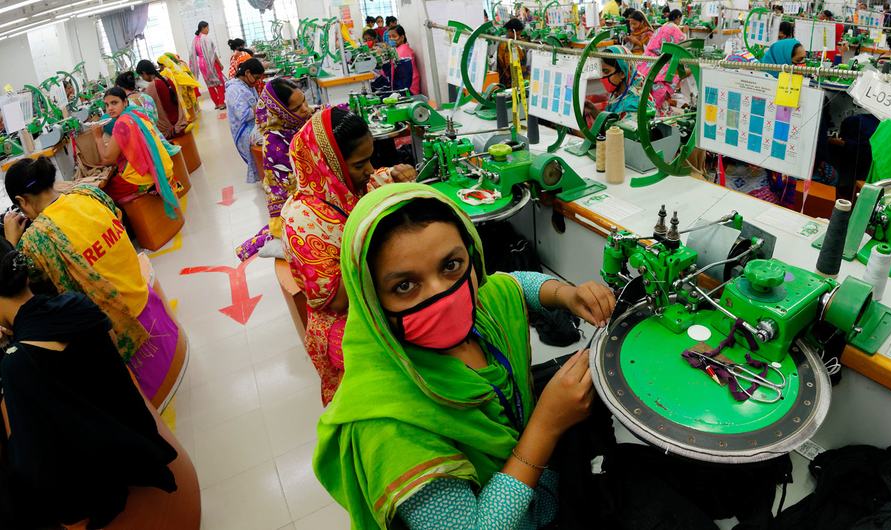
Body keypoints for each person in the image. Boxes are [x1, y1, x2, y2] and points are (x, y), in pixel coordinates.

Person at [313, 183, 616, 529]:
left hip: (539, 488)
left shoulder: (480, 308)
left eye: (451, 265)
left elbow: (513, 285)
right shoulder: (389, 427)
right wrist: (545, 427)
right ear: (371, 299)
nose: (442, 296)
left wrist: (566, 295)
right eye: (405, 286)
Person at [0, 249, 179, 529]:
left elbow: (35, 466)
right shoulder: (76, 304)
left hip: (100, 477)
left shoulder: (17, 364)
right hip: (136, 436)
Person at [2, 159, 182, 407]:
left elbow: (15, 288)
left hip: (118, 330)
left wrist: (11, 244)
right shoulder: (91, 194)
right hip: (141, 296)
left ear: (21, 202)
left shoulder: (36, 241)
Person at [281, 107, 417, 405]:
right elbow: (338, 299)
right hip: (342, 325)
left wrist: (397, 173)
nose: (369, 170)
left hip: (373, 299)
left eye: (370, 159)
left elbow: (380, 180)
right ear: (329, 165)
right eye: (360, 164)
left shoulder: (350, 186)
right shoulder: (302, 220)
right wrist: (380, 245)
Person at [236, 78, 314, 261]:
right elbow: (289, 191)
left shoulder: (299, 123)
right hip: (295, 204)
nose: (305, 109)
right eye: (296, 108)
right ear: (281, 113)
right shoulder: (275, 143)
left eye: (304, 100)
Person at [96, 87, 181, 215]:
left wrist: (97, 137)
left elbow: (108, 159)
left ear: (125, 102)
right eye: (106, 105)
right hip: (163, 167)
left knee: (104, 194)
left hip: (144, 178)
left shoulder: (122, 124)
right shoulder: (137, 114)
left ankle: (132, 228)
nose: (110, 108)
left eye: (114, 103)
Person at [225, 58, 265, 184]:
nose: (258, 81)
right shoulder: (234, 90)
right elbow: (242, 114)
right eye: (257, 77)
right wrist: (259, 108)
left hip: (254, 124)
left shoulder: (248, 85)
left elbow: (257, 104)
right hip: (244, 130)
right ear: (247, 73)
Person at [584, 45, 642, 123]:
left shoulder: (634, 105)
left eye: (606, 71)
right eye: (601, 72)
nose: (602, 78)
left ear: (622, 73)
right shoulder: (618, 94)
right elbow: (610, 122)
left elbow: (617, 133)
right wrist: (592, 110)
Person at [136, 60, 187, 138]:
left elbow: (146, 106)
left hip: (169, 128)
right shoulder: (167, 79)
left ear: (144, 73)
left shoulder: (153, 85)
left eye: (142, 76)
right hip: (179, 120)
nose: (143, 78)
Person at [188, 21, 226, 110]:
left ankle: (216, 103)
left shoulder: (195, 40)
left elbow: (194, 54)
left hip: (201, 64)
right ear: (203, 28)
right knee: (219, 82)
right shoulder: (206, 38)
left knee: (210, 84)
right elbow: (212, 53)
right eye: (207, 28)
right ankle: (221, 103)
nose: (208, 30)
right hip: (210, 63)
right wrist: (219, 63)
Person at [158, 53, 201, 129]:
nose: (159, 67)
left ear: (163, 64)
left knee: (184, 103)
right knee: (187, 102)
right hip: (183, 87)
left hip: (180, 89)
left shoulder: (167, 71)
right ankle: (192, 117)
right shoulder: (176, 67)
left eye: (159, 65)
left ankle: (190, 118)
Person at [386, 26, 424, 95]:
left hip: (409, 89)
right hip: (405, 86)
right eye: (389, 37)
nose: (391, 39)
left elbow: (404, 76)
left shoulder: (404, 50)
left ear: (402, 37)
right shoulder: (397, 49)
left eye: (394, 36)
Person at [497, 19, 528, 88]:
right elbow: (510, 67)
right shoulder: (505, 45)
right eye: (517, 34)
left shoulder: (512, 42)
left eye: (520, 34)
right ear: (510, 31)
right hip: (509, 82)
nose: (519, 36)